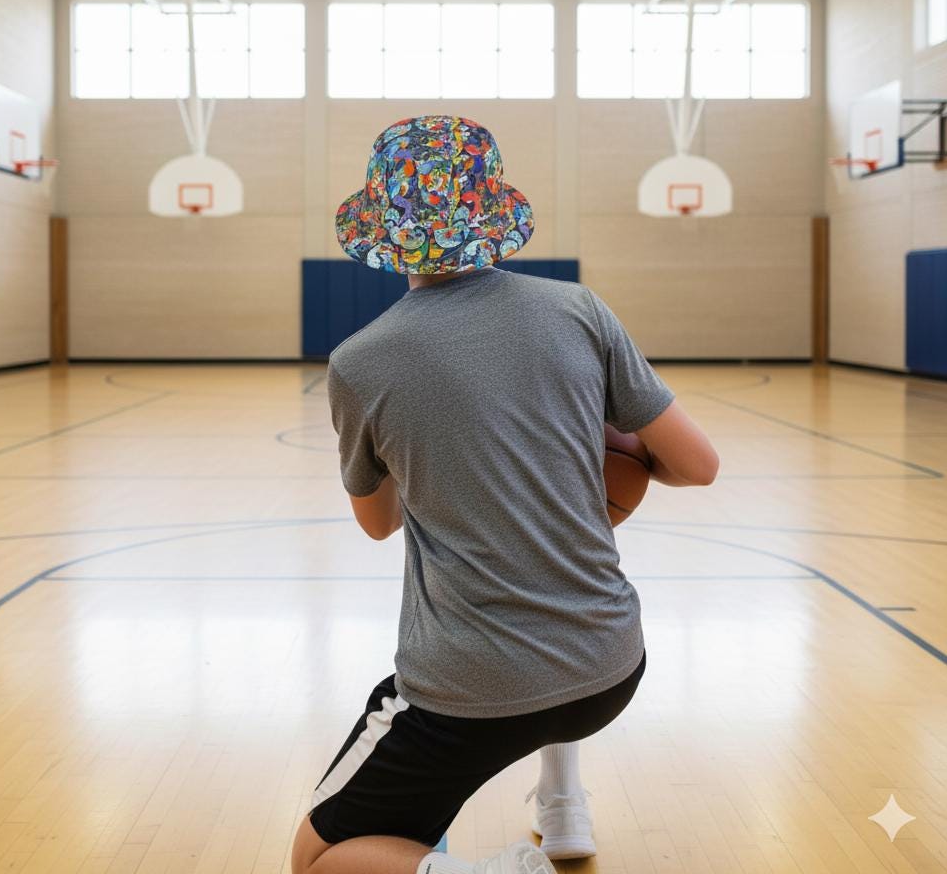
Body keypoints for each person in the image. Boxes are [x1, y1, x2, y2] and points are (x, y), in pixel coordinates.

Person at [291, 116, 719, 874]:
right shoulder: (578, 310)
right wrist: (602, 456)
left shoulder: (359, 362)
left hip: (466, 695)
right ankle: (563, 799)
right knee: (542, 600)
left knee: (322, 858)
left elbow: (378, 524)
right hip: (610, 665)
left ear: (382, 231)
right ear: (495, 216)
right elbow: (698, 465)